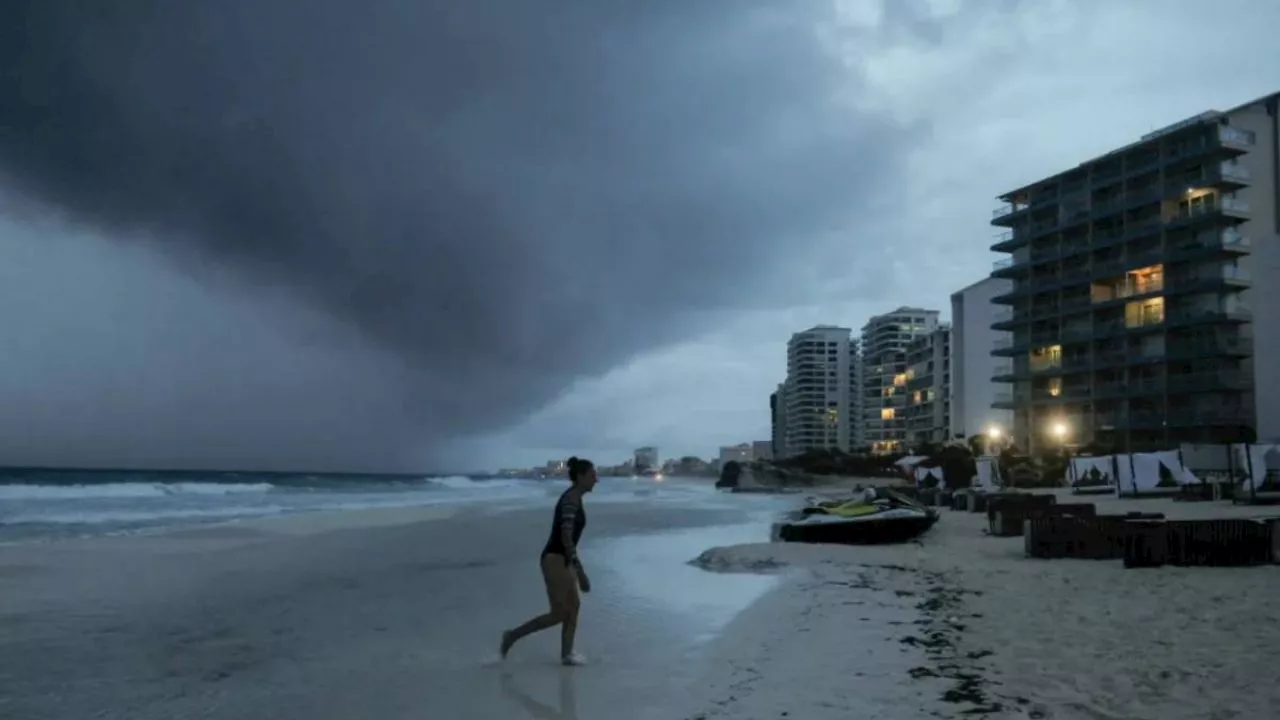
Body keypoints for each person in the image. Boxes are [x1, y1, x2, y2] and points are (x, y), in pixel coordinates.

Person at [500, 456, 597, 665]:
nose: (595, 480)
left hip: (564, 559)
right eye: (592, 475)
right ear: (580, 477)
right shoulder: (570, 500)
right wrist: (580, 572)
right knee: (559, 613)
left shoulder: (575, 498)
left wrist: (573, 565)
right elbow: (565, 537)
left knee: (574, 607)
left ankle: (567, 655)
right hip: (554, 559)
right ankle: (511, 636)